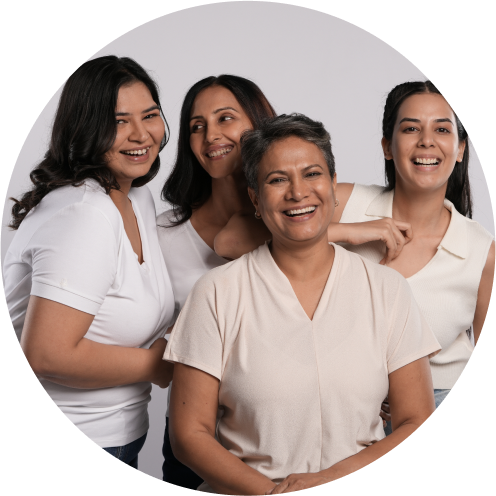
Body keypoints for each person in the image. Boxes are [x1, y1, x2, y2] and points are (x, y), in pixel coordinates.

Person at [164, 114, 441, 494]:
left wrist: (328, 479)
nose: (298, 192)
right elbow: (188, 434)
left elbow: (415, 420)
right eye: (277, 180)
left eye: (312, 174)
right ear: (255, 199)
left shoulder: (387, 290)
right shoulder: (215, 292)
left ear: (333, 186)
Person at [216, 81, 496, 433]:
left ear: (459, 149)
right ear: (387, 147)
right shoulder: (347, 203)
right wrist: (350, 231)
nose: (426, 140)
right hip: (341, 409)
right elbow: (228, 241)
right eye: (410, 128)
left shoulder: (482, 251)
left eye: (442, 129)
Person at [4, 56, 175, 469]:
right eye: (118, 121)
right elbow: (46, 355)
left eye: (150, 115)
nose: (141, 134)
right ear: (85, 128)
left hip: (117, 436)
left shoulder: (135, 196)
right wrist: (162, 363)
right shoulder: (84, 213)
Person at [157, 74, 276, 488]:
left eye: (226, 118)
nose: (210, 135)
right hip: (195, 434)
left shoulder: (303, 212)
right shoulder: (163, 236)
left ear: (258, 124)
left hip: (281, 429)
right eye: (196, 125)